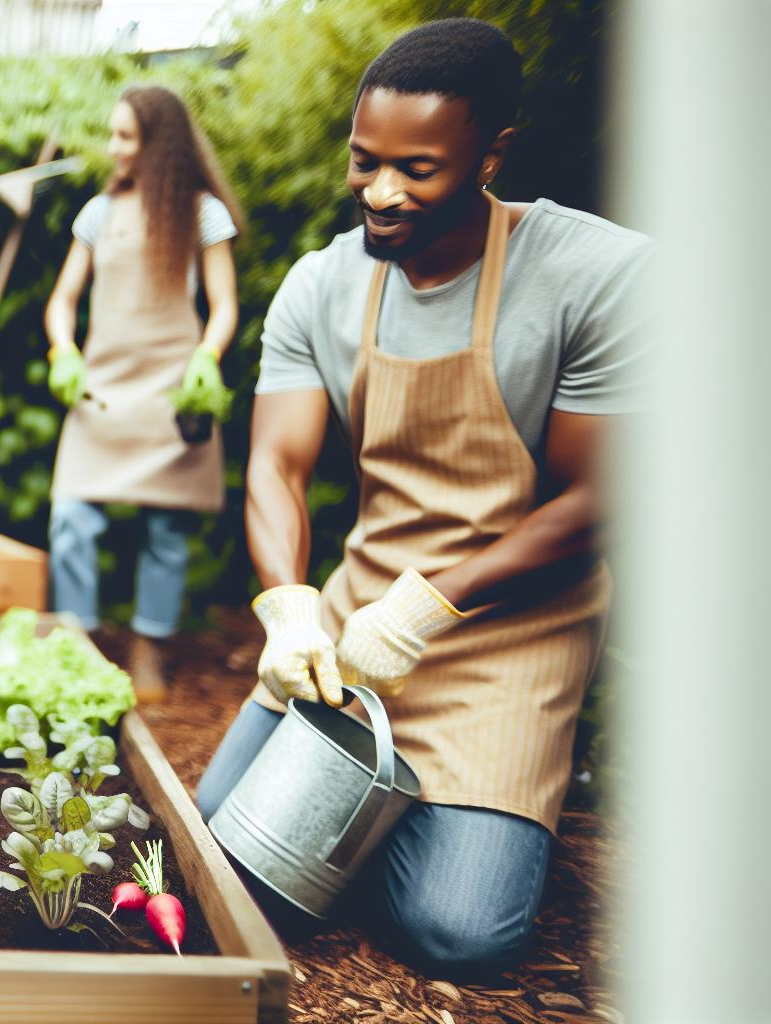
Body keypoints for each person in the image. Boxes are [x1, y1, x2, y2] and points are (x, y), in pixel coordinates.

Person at [195, 19, 648, 978]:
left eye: (419, 168)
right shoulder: (322, 286)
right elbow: (275, 465)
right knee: (222, 851)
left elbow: (595, 502)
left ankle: (455, 827)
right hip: (359, 626)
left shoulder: (593, 276)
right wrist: (288, 606)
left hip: (514, 632)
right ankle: (397, 818)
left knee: (463, 934)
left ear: (493, 154)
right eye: (365, 162)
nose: (383, 192)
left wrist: (432, 602)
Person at [42, 83, 243, 698]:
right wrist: (64, 350)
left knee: (167, 530)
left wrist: (207, 359)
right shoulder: (98, 214)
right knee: (71, 519)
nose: (114, 147)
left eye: (125, 135)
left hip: (168, 394)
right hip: (101, 393)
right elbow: (62, 302)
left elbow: (225, 306)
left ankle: (149, 650)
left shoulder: (202, 211)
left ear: (158, 141)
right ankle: (78, 646)